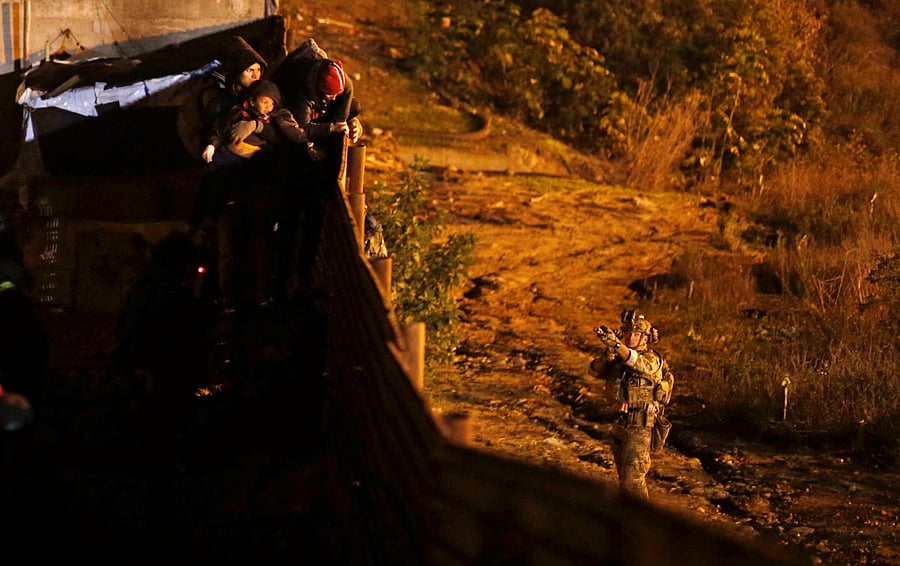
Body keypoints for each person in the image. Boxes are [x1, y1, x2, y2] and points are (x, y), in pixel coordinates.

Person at [589, 309, 666, 499]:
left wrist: (616, 344)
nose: (631, 337)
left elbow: (638, 364)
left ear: (646, 338)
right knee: (624, 478)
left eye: (637, 334)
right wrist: (606, 356)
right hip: (620, 423)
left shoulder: (652, 359)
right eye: (628, 333)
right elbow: (593, 371)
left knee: (634, 480)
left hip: (641, 426)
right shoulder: (619, 357)